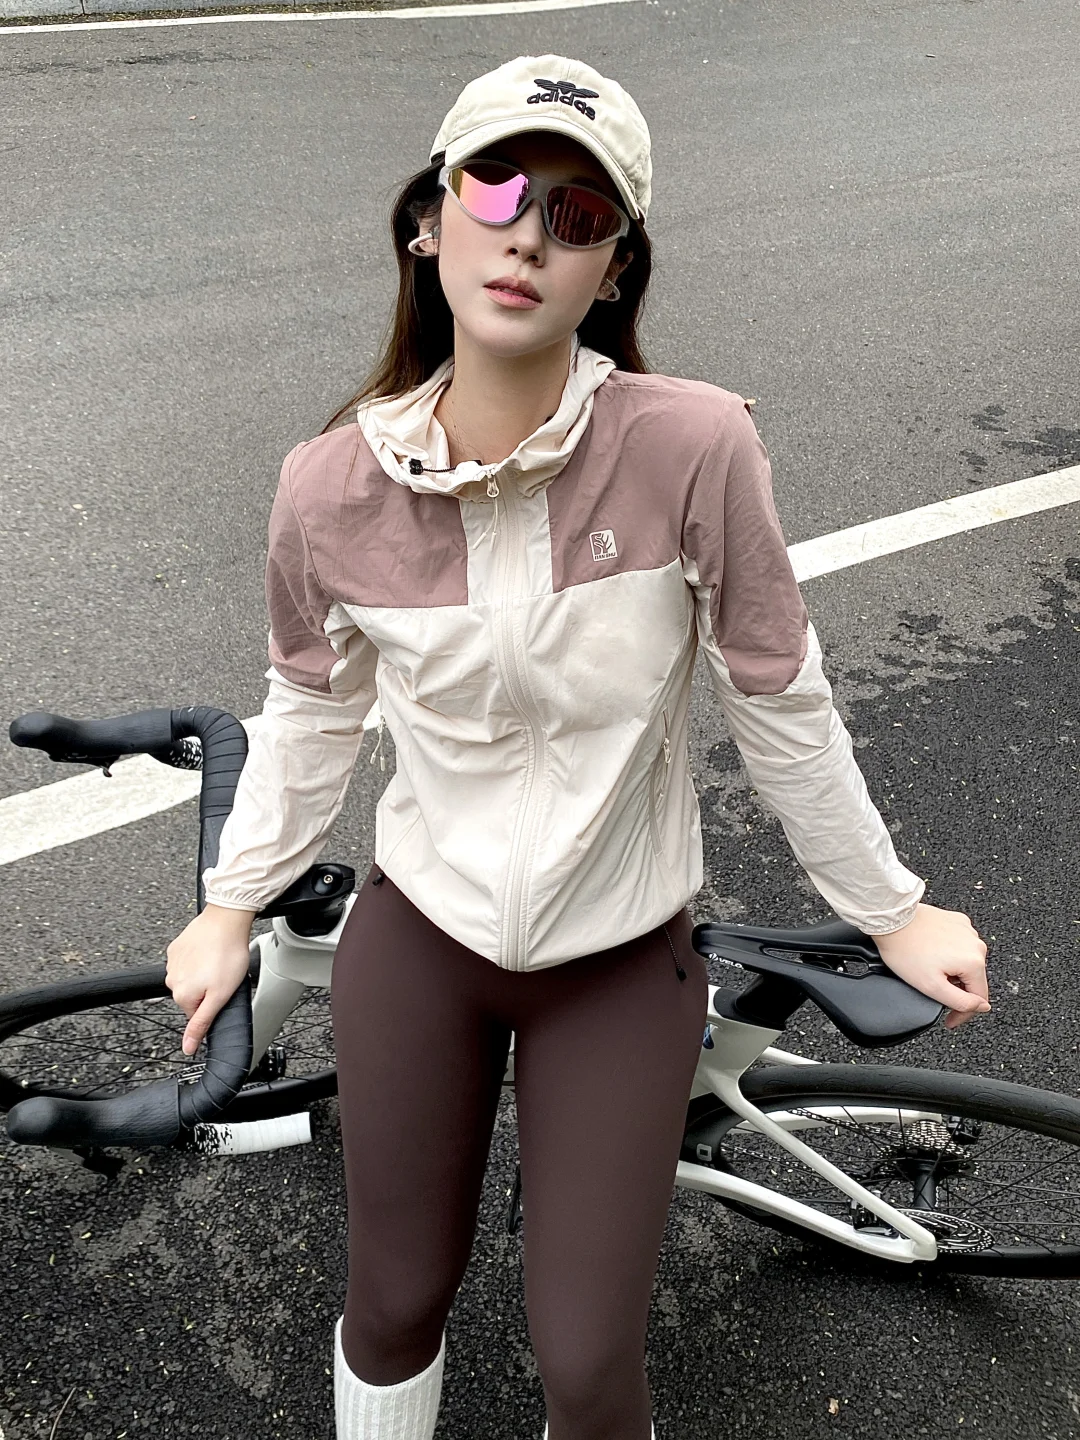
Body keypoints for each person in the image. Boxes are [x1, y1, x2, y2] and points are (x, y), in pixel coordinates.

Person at [164, 53, 991, 1440]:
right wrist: (231, 904)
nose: (529, 235)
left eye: (580, 214)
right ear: (426, 222)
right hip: (421, 940)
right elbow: (311, 710)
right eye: (494, 188)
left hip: (617, 960)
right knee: (392, 1300)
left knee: (589, 1355)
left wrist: (890, 910)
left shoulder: (694, 446)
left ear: (613, 271)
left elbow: (778, 698)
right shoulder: (327, 485)